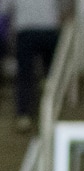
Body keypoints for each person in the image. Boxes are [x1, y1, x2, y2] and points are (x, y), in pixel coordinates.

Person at [7, 0, 71, 132]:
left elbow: (5, 9)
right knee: (52, 73)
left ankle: (24, 115)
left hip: (26, 32)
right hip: (48, 30)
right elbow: (65, 7)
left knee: (25, 76)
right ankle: (48, 99)